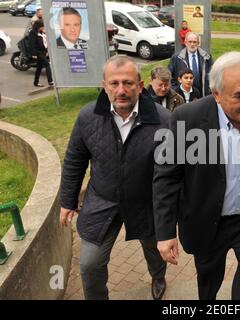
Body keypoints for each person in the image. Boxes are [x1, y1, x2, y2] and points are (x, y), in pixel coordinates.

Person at [153, 52, 240, 300]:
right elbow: (167, 177)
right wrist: (165, 232)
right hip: (207, 220)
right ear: (216, 94)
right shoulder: (187, 118)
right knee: (209, 281)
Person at [59, 55, 170, 300]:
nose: (121, 90)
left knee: (154, 250)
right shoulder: (88, 116)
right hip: (102, 200)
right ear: (104, 85)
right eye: (114, 83)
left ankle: (158, 275)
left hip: (146, 203)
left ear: (140, 86)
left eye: (128, 83)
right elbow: (74, 160)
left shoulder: (164, 121)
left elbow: (173, 172)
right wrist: (67, 200)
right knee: (89, 264)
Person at [168, 32, 213, 97]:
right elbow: (169, 76)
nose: (192, 44)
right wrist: (175, 90)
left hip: (203, 94)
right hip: (183, 95)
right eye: (190, 42)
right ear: (185, 42)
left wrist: (209, 90)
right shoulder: (176, 58)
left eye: (195, 42)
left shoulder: (206, 57)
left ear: (198, 43)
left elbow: (212, 75)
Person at [28, 19, 53, 87]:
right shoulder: (32, 33)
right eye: (42, 27)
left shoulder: (42, 32)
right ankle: (50, 81)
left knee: (39, 67)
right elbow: (31, 44)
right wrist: (34, 54)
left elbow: (45, 41)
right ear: (38, 26)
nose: (43, 28)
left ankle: (36, 82)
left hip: (43, 51)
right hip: (38, 52)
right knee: (47, 64)